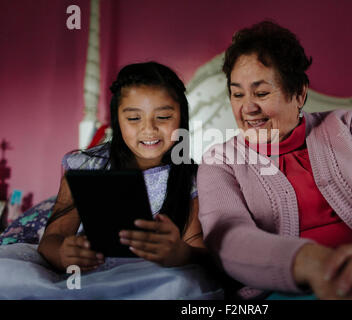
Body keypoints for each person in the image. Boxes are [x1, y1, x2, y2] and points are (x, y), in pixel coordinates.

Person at [197, 20, 352, 300]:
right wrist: (313, 264)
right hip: (295, 288)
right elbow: (228, 238)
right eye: (237, 94)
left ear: (299, 93)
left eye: (261, 93)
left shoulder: (349, 126)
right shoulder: (220, 161)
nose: (247, 108)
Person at [0, 61, 223, 299]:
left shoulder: (190, 177)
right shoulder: (88, 165)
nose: (149, 129)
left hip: (150, 275)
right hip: (87, 272)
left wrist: (178, 252)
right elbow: (52, 240)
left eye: (164, 116)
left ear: (181, 118)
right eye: (134, 119)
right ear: (117, 120)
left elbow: (197, 249)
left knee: (181, 285)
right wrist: (64, 254)